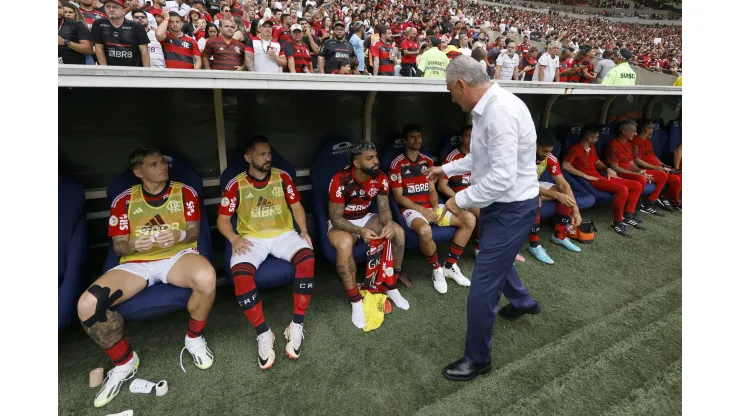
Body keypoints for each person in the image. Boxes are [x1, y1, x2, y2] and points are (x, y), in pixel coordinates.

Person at [425, 56, 540, 382]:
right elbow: (481, 158)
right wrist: (444, 169)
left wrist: (456, 200)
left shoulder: (499, 112)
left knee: (482, 286)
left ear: (462, 84)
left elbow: (502, 177)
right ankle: (523, 302)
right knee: (495, 260)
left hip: (511, 208)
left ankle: (477, 360)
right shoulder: (492, 107)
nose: (451, 98)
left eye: (450, 90)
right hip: (504, 206)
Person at [77, 148, 216, 407]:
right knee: (88, 305)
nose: (163, 167)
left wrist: (179, 236)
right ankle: (124, 361)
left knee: (207, 278)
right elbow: (119, 246)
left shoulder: (185, 191)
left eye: (163, 162)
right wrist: (132, 245)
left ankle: (194, 338)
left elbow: (194, 231)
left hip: (177, 257)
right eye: (154, 164)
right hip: (136, 264)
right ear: (138, 171)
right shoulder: (123, 200)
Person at [216, 136, 314, 370]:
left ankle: (297, 324)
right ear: (248, 158)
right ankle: (263, 332)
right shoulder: (236, 184)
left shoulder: (282, 177)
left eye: (269, 153)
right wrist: (233, 238)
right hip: (251, 239)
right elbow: (222, 219)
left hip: (283, 234)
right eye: (262, 154)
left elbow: (296, 205)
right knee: (240, 275)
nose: (268, 158)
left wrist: (304, 231)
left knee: (307, 257)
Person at [327, 141, 409, 329]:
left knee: (398, 232)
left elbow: (384, 208)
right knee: (345, 245)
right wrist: (360, 231)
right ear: (356, 163)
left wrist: (388, 223)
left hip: (365, 217)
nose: (376, 162)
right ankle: (355, 300)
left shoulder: (380, 177)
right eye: (370, 158)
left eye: (376, 157)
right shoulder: (340, 180)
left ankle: (391, 285)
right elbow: (336, 217)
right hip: (342, 223)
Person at [389, 123, 476, 294]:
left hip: (431, 206)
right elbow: (399, 197)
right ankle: (436, 269)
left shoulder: (427, 161)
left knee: (469, 219)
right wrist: (423, 211)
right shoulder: (397, 164)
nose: (417, 140)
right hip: (412, 210)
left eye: (419, 136)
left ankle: (450, 265)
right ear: (405, 140)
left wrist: (435, 208)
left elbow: (432, 190)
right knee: (424, 230)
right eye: (413, 137)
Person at [561, 125, 643, 236]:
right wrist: (584, 175)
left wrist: (607, 169)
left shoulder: (592, 148)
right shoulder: (575, 149)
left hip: (601, 177)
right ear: (590, 138)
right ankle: (617, 222)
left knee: (637, 185)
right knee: (622, 189)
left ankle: (628, 216)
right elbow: (565, 165)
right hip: (593, 181)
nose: (598, 139)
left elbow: (597, 163)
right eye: (596, 137)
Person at [527, 129, 582, 265]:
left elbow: (564, 185)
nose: (547, 155)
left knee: (564, 192)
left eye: (549, 151)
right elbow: (524, 185)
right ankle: (534, 245)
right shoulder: (523, 156)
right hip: (515, 188)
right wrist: (555, 195)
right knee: (536, 198)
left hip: (533, 185)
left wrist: (576, 210)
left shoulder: (549, 157)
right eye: (544, 151)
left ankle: (559, 235)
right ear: (534, 145)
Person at [605, 120, 669, 216]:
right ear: (624, 132)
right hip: (620, 174)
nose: (635, 134)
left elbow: (631, 163)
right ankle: (630, 210)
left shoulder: (628, 144)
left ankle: (648, 202)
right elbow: (614, 167)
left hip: (631, 172)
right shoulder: (613, 145)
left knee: (662, 175)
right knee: (641, 179)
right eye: (633, 131)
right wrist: (637, 174)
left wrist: (641, 171)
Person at [632, 120, 682, 211]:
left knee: (678, 176)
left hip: (657, 168)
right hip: (644, 169)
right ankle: (650, 201)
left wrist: (663, 165)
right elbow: (636, 161)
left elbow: (653, 156)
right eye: (652, 128)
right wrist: (656, 168)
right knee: (671, 177)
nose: (653, 130)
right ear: (647, 130)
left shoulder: (648, 141)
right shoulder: (636, 141)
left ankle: (666, 197)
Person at [92, 0, 150, 67]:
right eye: (108, 6)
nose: (111, 10)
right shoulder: (98, 24)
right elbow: (99, 49)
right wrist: (105, 70)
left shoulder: (136, 26)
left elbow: (144, 51)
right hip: (110, 68)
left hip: (133, 68)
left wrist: (145, 71)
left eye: (115, 7)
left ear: (124, 10)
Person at [58, 0, 94, 65]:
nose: (57, 10)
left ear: (62, 9)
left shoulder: (77, 25)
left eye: (59, 7)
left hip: (73, 68)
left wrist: (65, 42)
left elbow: (89, 49)